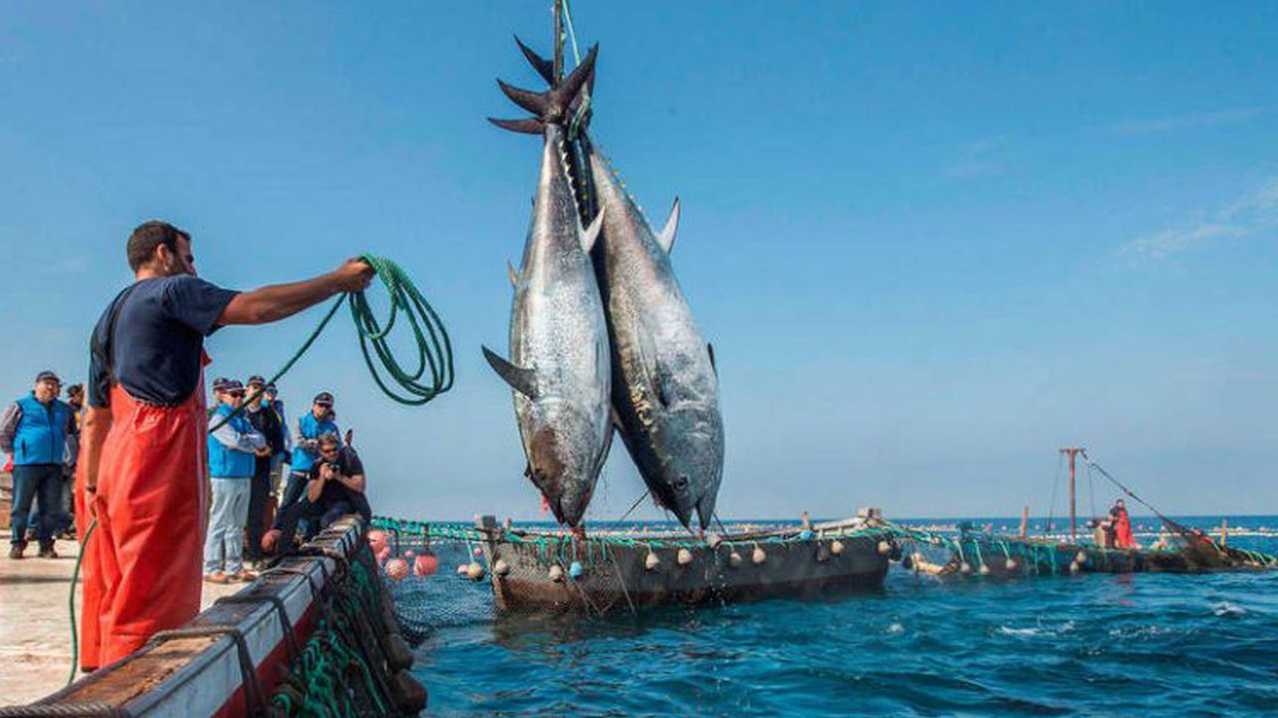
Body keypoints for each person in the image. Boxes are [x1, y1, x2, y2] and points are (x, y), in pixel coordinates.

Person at [76, 220, 372, 670]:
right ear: (162, 254)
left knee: (117, 583)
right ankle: (139, 687)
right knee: (152, 589)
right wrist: (336, 281)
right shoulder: (171, 291)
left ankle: (102, 677)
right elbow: (256, 309)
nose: (194, 269)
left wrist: (95, 487)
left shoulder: (110, 315)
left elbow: (95, 416)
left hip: (111, 461)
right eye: (189, 257)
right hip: (153, 458)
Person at [1, 371, 75, 558]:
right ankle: (17, 543)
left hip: (54, 465)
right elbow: (4, 431)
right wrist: (15, 453)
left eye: (54, 384)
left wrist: (69, 460)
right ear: (36, 386)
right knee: (21, 506)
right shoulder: (20, 406)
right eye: (46, 383)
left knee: (51, 508)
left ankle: (46, 545)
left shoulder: (65, 410)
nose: (50, 387)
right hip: (26, 464)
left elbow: (71, 436)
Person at [262, 433, 370, 555]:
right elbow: (312, 497)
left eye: (335, 449)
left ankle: (323, 550)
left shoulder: (350, 459)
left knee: (327, 520)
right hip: (323, 502)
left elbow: (360, 486)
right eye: (327, 451)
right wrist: (322, 477)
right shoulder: (317, 465)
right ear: (321, 452)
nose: (332, 453)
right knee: (293, 512)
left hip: (345, 502)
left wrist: (339, 476)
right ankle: (284, 551)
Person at [203, 379, 265, 582]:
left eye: (240, 394)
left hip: (243, 474)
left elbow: (260, 440)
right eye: (234, 394)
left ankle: (234, 567)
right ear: (224, 395)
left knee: (237, 524)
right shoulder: (219, 418)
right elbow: (235, 441)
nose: (238, 398)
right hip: (224, 476)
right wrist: (248, 442)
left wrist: (245, 441)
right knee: (219, 521)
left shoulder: (242, 419)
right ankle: (210, 567)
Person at [242, 375, 285, 567]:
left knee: (257, 512)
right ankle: (233, 554)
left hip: (260, 471)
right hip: (239, 470)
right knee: (235, 515)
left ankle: (254, 554)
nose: (257, 392)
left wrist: (267, 450)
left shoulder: (269, 415)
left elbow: (278, 443)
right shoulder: (238, 413)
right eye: (254, 388)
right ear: (247, 389)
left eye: (260, 388)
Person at [280, 392, 340, 525]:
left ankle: (307, 536)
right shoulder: (301, 421)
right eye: (321, 405)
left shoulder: (332, 427)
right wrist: (320, 445)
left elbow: (336, 448)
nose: (323, 408)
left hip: (318, 474)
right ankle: (277, 532)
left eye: (327, 406)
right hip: (300, 470)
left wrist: (314, 444)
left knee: (312, 506)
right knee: (288, 503)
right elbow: (299, 442)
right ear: (314, 405)